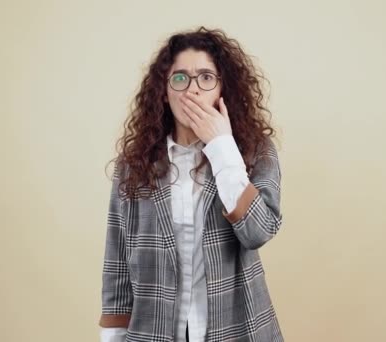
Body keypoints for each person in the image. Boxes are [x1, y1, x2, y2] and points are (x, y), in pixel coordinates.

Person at [99, 26, 284, 342]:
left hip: (238, 329)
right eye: (180, 78)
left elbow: (258, 231)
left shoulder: (254, 152)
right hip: (153, 332)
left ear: (223, 89)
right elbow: (118, 259)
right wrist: (113, 336)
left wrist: (222, 146)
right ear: (164, 91)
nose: (192, 90)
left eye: (206, 77)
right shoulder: (134, 165)